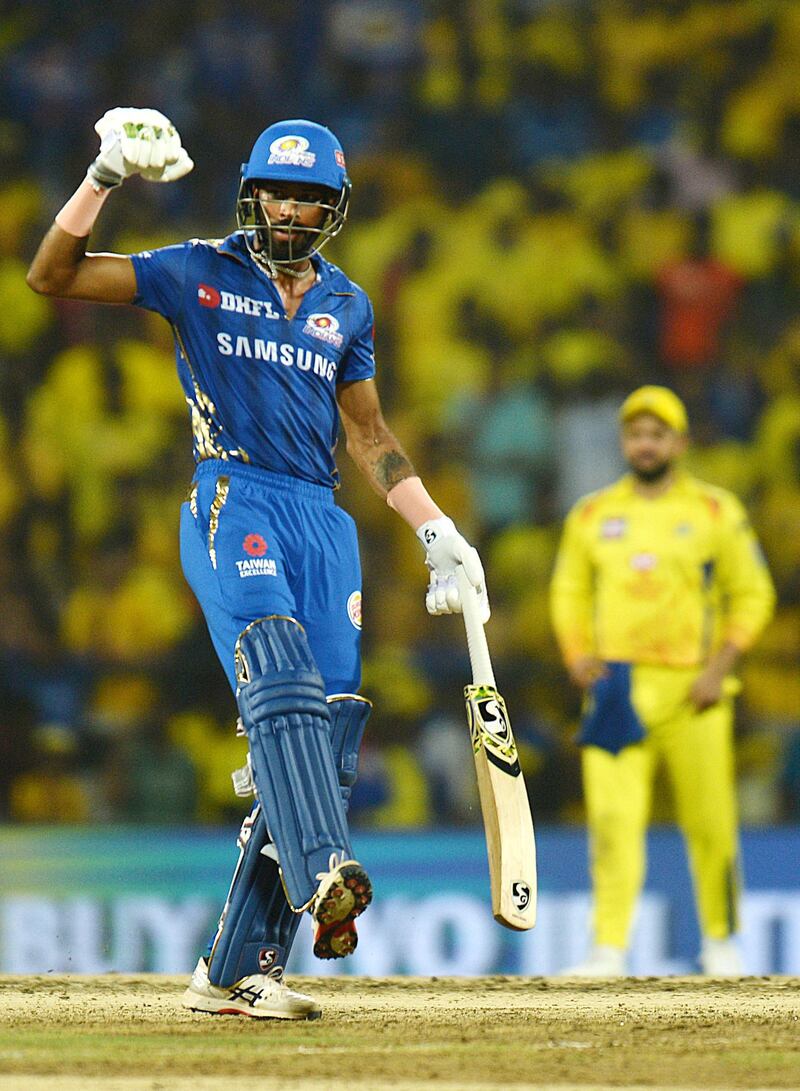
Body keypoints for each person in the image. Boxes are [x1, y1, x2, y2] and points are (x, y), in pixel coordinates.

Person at [28, 108, 488, 1018]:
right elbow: (53, 275)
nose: (288, 210)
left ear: (333, 210)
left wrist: (437, 529)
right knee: (277, 669)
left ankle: (233, 971)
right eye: (277, 191)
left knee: (333, 726)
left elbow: (368, 433)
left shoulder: (346, 303)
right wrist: (104, 177)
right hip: (235, 496)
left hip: (323, 520)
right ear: (251, 192)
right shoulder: (195, 269)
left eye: (308, 198)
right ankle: (324, 866)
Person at [549, 385, 774, 976]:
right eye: (635, 434)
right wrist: (577, 657)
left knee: (711, 820)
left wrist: (720, 667)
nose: (645, 445)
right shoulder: (593, 514)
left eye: (657, 434)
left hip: (693, 687)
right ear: (624, 442)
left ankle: (722, 941)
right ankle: (609, 946)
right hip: (617, 687)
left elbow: (752, 594)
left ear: (680, 441)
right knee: (613, 822)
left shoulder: (715, 511)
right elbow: (569, 591)